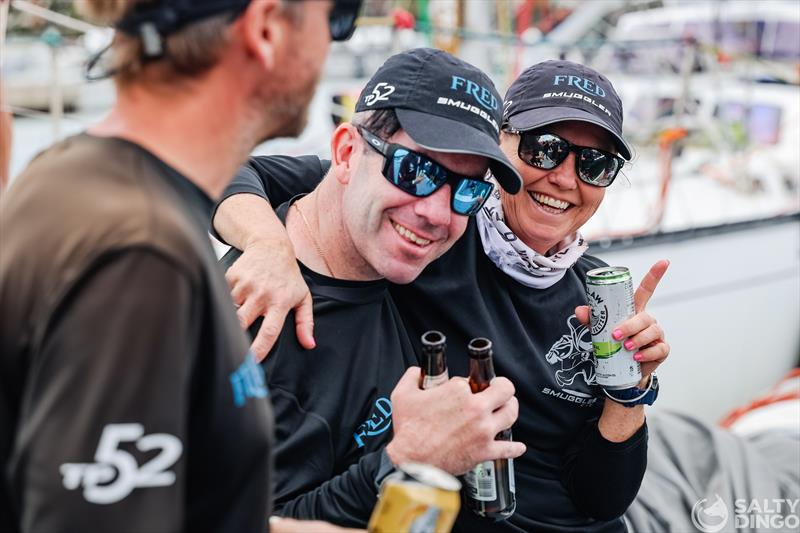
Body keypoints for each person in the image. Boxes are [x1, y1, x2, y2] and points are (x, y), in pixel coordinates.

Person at [213, 59, 672, 532]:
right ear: (504, 146)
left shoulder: (585, 286)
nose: (565, 177)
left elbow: (603, 500)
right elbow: (240, 174)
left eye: (596, 165)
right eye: (544, 149)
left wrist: (627, 392)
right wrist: (267, 245)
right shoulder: (437, 238)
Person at [0, 0, 362, 531]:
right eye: (337, 16)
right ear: (265, 28)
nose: (336, 41)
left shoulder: (69, 174)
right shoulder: (142, 257)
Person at [218, 47, 527, 527]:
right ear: (345, 154)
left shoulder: (371, 242)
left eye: (468, 190)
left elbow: (230, 170)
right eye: (416, 170)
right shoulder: (263, 328)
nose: (437, 214)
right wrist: (406, 461)